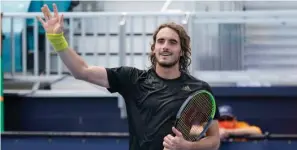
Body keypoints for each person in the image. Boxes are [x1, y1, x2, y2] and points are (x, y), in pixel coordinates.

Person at [37, 3, 221, 150]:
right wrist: (57, 40)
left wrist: (188, 147)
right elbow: (81, 71)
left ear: (181, 51)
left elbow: (214, 140)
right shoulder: (132, 79)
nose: (165, 46)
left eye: (172, 42)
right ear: (154, 48)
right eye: (161, 41)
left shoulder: (199, 90)